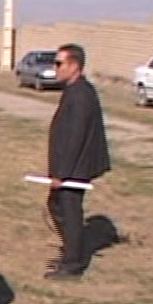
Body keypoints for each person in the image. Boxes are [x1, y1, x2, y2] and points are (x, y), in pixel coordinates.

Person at [44, 43, 111, 281]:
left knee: (69, 212)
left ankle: (73, 264)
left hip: (75, 168)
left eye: (59, 63)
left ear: (74, 65)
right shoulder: (73, 90)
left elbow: (76, 136)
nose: (56, 68)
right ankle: (72, 252)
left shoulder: (81, 93)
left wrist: (61, 174)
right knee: (57, 206)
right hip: (69, 168)